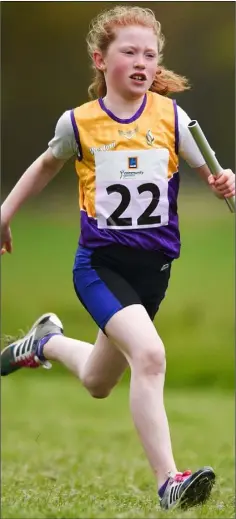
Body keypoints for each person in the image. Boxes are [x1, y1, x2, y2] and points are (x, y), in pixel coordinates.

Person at [1, 5, 235, 511]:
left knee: (98, 382)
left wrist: (226, 181)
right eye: (129, 51)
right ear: (100, 60)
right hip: (100, 269)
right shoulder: (79, 123)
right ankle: (169, 481)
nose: (141, 61)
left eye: (150, 54)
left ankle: (45, 342)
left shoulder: (173, 117)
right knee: (150, 357)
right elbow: (44, 167)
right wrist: (4, 214)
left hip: (154, 274)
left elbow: (215, 176)